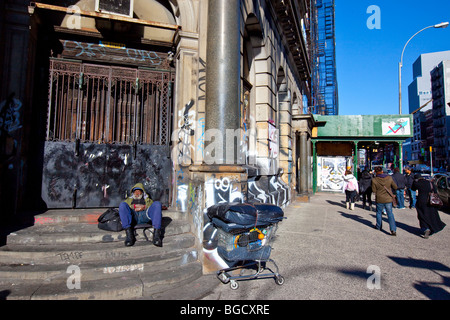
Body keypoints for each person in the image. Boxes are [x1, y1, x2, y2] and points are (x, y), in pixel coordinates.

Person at [119, 183, 163, 247]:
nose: (137, 193)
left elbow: (152, 208)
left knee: (157, 204)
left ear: (142, 192)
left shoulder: (147, 199)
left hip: (145, 215)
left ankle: (156, 235)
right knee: (122, 205)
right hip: (134, 217)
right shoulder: (128, 200)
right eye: (135, 192)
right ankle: (129, 234)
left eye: (138, 191)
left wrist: (144, 207)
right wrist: (134, 206)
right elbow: (124, 210)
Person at [411, 174, 446, 239]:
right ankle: (433, 227)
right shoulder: (430, 183)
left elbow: (413, 188)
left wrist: (414, 181)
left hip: (421, 200)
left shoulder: (417, 183)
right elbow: (435, 191)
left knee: (422, 215)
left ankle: (426, 228)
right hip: (430, 201)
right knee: (431, 215)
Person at [371, 166, 398, 236]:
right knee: (390, 214)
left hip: (379, 198)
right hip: (388, 199)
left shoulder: (374, 180)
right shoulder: (389, 178)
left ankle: (378, 226)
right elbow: (395, 187)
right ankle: (393, 229)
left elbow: (374, 190)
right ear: (382, 171)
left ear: (375, 172)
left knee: (379, 213)